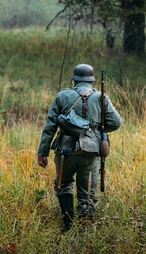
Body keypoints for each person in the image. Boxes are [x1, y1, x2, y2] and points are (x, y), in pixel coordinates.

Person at [37, 64, 122, 231]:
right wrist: (98, 129)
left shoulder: (62, 96)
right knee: (87, 193)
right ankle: (84, 229)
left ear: (74, 79)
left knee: (64, 184)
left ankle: (68, 225)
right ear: (92, 80)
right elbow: (116, 122)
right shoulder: (101, 97)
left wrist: (43, 152)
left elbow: (50, 127)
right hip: (90, 151)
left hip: (65, 151)